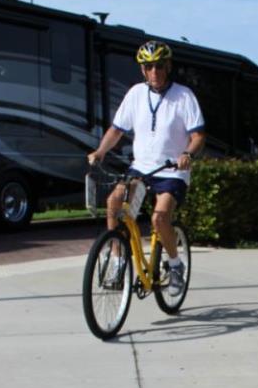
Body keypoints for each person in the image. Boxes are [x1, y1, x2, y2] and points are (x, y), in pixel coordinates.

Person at [86, 40, 204, 294]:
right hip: (141, 169)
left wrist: (187, 153)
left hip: (172, 171)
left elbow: (198, 136)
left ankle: (175, 266)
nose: (154, 72)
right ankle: (118, 260)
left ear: (168, 66)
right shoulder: (136, 94)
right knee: (114, 202)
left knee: (159, 218)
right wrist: (100, 151)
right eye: (148, 67)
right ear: (142, 69)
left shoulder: (184, 96)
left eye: (159, 66)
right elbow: (117, 130)